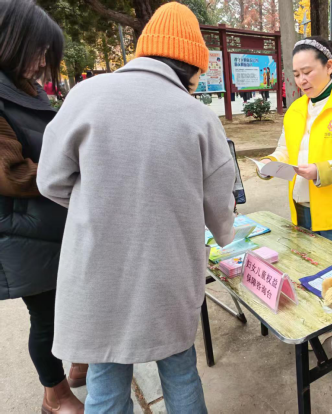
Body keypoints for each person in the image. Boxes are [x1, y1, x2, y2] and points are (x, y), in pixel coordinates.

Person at [37, 2, 236, 413]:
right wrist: (225, 234)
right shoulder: (197, 116)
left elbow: (50, 180)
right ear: (191, 66)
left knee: (106, 379)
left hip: (97, 273)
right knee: (180, 371)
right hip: (168, 276)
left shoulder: (86, 94)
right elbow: (220, 203)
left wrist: (98, 203)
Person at [0, 1, 86, 413]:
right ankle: (55, 393)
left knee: (76, 299)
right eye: (39, 50)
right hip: (22, 231)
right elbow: (11, 173)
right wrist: (76, 166)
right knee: (47, 317)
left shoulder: (26, 89)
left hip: (51, 223)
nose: (43, 61)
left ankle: (80, 362)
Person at [258, 37, 332, 255]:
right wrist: (270, 162)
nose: (302, 80)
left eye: (307, 72)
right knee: (307, 272)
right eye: (296, 75)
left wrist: (320, 171)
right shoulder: (295, 109)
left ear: (329, 66)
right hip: (301, 209)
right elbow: (286, 150)